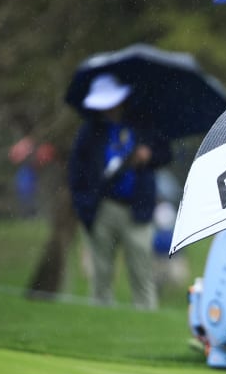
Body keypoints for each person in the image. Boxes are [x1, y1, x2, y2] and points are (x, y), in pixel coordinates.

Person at [68, 73, 172, 310]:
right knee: (101, 273)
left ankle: (146, 319)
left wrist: (149, 155)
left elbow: (165, 154)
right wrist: (84, 207)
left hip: (137, 208)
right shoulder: (89, 132)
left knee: (141, 271)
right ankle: (101, 322)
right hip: (102, 207)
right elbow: (76, 173)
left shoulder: (143, 125)